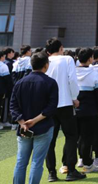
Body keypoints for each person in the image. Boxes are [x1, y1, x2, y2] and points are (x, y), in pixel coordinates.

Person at [11, 52, 59, 184]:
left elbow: (13, 106)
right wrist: (35, 120)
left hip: (24, 128)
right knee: (37, 162)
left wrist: (22, 122)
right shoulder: (50, 82)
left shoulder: (20, 82)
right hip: (43, 126)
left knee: (21, 161)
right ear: (46, 65)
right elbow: (52, 107)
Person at [44, 38, 85, 182]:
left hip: (48, 105)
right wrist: (74, 97)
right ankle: (71, 170)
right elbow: (72, 80)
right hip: (65, 102)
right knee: (71, 136)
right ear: (61, 48)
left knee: (50, 139)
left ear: (47, 51)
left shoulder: (45, 60)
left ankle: (51, 172)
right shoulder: (67, 59)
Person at [74, 48, 98, 174]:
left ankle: (79, 159)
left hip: (74, 110)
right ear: (90, 59)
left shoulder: (73, 72)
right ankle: (87, 164)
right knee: (87, 138)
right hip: (90, 110)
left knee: (76, 137)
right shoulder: (94, 74)